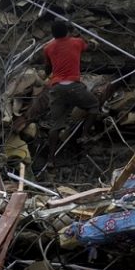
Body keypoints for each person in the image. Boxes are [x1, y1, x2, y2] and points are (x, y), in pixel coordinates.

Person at [43, 21, 99, 165]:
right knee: (94, 105)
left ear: (53, 34)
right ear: (67, 31)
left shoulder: (48, 48)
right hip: (74, 86)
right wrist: (88, 38)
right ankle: (84, 135)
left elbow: (47, 70)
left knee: (55, 125)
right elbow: (91, 47)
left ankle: (50, 159)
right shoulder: (77, 42)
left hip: (56, 88)